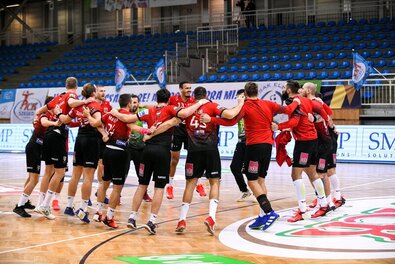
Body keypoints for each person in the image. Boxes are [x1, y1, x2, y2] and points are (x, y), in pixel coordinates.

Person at [200, 82, 301, 231]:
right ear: (257, 92)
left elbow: (231, 121)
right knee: (261, 180)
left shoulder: (245, 107)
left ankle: (269, 212)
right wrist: (297, 101)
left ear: (245, 94)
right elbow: (287, 110)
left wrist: (212, 120)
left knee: (252, 180)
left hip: (254, 146)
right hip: (268, 145)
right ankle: (262, 215)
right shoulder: (268, 103)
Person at [110, 89, 209, 235]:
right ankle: (152, 221)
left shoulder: (148, 111)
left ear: (156, 99)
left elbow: (128, 120)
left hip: (147, 151)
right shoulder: (170, 108)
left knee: (142, 185)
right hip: (162, 152)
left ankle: (132, 217)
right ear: (169, 99)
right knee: (159, 188)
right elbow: (184, 114)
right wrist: (200, 102)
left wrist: (116, 113)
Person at [170, 86, 244, 235]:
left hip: (193, 151)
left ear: (194, 96)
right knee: (214, 182)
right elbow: (229, 115)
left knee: (190, 184)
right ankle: (211, 217)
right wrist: (241, 103)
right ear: (206, 95)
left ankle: (182, 220)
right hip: (210, 150)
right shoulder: (212, 105)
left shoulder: (188, 108)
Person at [84, 93, 152, 228]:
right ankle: (109, 217)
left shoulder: (109, 114)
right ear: (128, 104)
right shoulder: (127, 117)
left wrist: (87, 115)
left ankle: (98, 212)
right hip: (120, 153)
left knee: (104, 183)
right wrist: (148, 131)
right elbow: (134, 127)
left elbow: (94, 123)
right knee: (117, 187)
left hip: (107, 150)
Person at [34, 77, 93, 220]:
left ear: (65, 85)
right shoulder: (70, 96)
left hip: (48, 135)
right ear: (76, 87)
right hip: (57, 135)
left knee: (48, 172)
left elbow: (39, 111)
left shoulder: (57, 98)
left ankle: (39, 204)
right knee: (59, 173)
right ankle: (45, 206)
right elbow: (72, 103)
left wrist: (41, 116)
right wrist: (85, 101)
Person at [271, 80, 329, 223]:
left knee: (295, 174)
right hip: (313, 139)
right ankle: (324, 205)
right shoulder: (306, 100)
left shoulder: (294, 101)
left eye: (284, 87)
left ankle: (302, 210)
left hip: (304, 141)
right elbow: (325, 111)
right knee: (312, 173)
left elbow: (295, 122)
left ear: (289, 90)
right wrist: (316, 118)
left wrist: (278, 127)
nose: (283, 89)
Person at [58, 83, 103, 223]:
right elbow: (97, 122)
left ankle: (69, 206)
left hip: (80, 139)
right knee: (88, 176)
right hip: (91, 140)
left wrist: (58, 112)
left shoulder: (78, 105)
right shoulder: (95, 105)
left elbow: (65, 120)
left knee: (75, 175)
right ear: (94, 93)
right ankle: (83, 209)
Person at [13, 97, 60, 217]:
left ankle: (25, 201)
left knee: (31, 178)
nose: (57, 107)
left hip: (36, 147)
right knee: (34, 179)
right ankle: (19, 206)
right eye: (55, 106)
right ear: (50, 106)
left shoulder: (45, 115)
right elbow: (43, 123)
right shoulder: (44, 115)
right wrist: (55, 123)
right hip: (34, 146)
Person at [167, 81, 206, 199]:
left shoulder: (194, 100)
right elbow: (167, 112)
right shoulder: (173, 99)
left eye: (190, 88)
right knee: (174, 160)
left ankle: (198, 184)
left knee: (194, 158)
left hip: (190, 131)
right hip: (177, 131)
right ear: (180, 89)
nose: (189, 90)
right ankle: (170, 186)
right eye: (187, 88)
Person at [126, 94, 152, 203]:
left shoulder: (143, 111)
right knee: (123, 172)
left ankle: (144, 193)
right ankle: (117, 195)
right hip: (127, 148)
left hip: (140, 148)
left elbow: (155, 107)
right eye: (131, 102)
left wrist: (144, 105)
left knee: (141, 173)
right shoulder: (124, 113)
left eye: (135, 102)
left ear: (138, 104)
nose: (133, 104)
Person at [230, 89, 253, 202]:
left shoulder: (253, 107)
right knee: (234, 167)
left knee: (250, 169)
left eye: (243, 96)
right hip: (241, 141)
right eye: (239, 97)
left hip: (252, 141)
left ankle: (256, 192)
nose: (241, 99)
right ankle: (245, 191)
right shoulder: (237, 109)